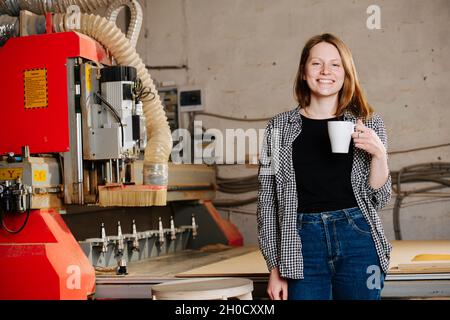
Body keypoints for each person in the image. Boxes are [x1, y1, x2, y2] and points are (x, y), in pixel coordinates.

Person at [256, 33, 392, 300]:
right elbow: (267, 204)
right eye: (317, 63)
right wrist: (274, 267)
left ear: (346, 73)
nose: (326, 71)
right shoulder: (278, 127)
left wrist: (380, 156)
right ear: (304, 73)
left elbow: (380, 198)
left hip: (358, 237)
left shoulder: (369, 124)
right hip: (301, 243)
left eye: (335, 64)